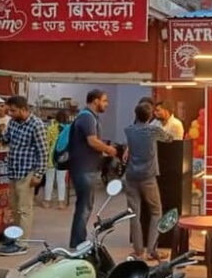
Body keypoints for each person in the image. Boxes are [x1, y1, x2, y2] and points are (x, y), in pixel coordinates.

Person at [0, 96, 47, 256]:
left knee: (24, 208)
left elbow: (43, 151)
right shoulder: (13, 123)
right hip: (13, 170)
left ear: (23, 109)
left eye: (12, 110)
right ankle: (16, 236)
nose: (10, 113)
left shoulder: (36, 125)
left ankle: (22, 243)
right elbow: (5, 140)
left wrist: (38, 174)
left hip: (27, 171)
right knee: (14, 207)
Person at [68, 90, 117, 248]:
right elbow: (92, 141)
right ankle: (78, 242)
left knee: (84, 205)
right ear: (95, 101)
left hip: (85, 167)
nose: (106, 104)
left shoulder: (89, 117)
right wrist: (109, 149)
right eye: (104, 100)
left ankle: (77, 239)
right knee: (84, 206)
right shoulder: (87, 118)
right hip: (84, 169)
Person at [124, 102, 173, 260]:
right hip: (148, 177)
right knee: (156, 212)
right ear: (150, 116)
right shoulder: (153, 130)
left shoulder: (129, 130)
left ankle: (138, 251)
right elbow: (169, 138)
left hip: (131, 176)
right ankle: (152, 249)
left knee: (134, 215)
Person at [44, 110, 69, 209]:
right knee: (61, 180)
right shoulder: (69, 129)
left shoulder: (51, 128)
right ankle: (61, 203)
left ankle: (47, 201)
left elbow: (47, 143)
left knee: (49, 179)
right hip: (63, 156)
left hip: (51, 155)